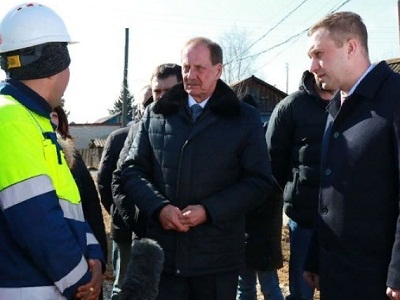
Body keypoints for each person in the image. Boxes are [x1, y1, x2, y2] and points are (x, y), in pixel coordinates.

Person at [117, 37, 273, 300]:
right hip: (164, 256)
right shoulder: (156, 114)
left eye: (199, 68)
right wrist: (159, 208)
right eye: (186, 67)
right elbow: (131, 170)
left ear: (218, 70)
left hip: (216, 259)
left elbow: (258, 182)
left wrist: (208, 211)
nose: (190, 75)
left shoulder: (243, 118)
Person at [0, 3, 104, 300]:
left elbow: (69, 205)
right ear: (55, 61)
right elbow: (35, 221)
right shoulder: (10, 118)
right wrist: (82, 283)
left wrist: (94, 257)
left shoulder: (34, 119)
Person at [302, 11, 400, 300]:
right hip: (338, 275)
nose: (312, 66)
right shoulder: (338, 106)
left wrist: (398, 271)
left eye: (319, 53)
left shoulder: (395, 97)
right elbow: (329, 193)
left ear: (352, 47)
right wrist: (316, 257)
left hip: (380, 280)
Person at [98, 63, 182, 300]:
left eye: (169, 91)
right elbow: (114, 182)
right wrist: (137, 219)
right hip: (141, 235)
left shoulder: (194, 128)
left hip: (184, 240)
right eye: (157, 92)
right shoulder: (133, 133)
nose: (161, 98)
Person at [265, 70, 335, 300]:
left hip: (343, 219)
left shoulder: (353, 103)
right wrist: (295, 188)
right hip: (304, 216)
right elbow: (273, 159)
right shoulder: (291, 107)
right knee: (302, 289)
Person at [52, 106, 108, 300]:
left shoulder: (73, 159)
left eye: (54, 115)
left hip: (82, 263)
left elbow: (90, 213)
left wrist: (98, 259)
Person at [237, 94, 284, 300]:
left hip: (257, 232)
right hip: (258, 234)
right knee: (261, 286)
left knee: (261, 286)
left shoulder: (258, 148)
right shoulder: (264, 144)